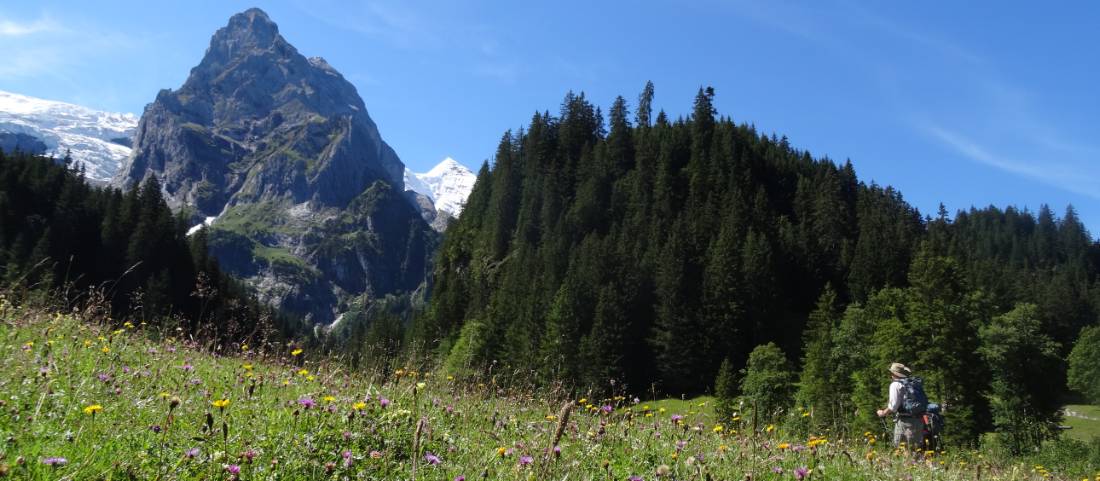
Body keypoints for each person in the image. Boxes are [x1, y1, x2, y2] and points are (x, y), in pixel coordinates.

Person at [876, 362, 923, 449]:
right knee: (916, 449)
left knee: (902, 448)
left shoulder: (895, 385)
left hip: (904, 421)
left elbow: (893, 407)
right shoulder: (912, 383)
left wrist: (882, 413)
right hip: (918, 420)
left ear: (893, 374)